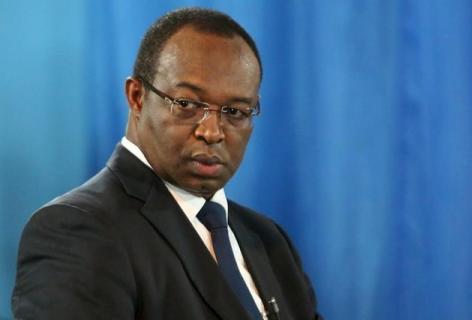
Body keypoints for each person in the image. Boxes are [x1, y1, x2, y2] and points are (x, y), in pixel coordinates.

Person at [12, 7, 322, 320]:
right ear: (136, 97)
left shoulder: (269, 240)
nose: (212, 132)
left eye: (235, 112)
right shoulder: (77, 230)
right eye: (186, 104)